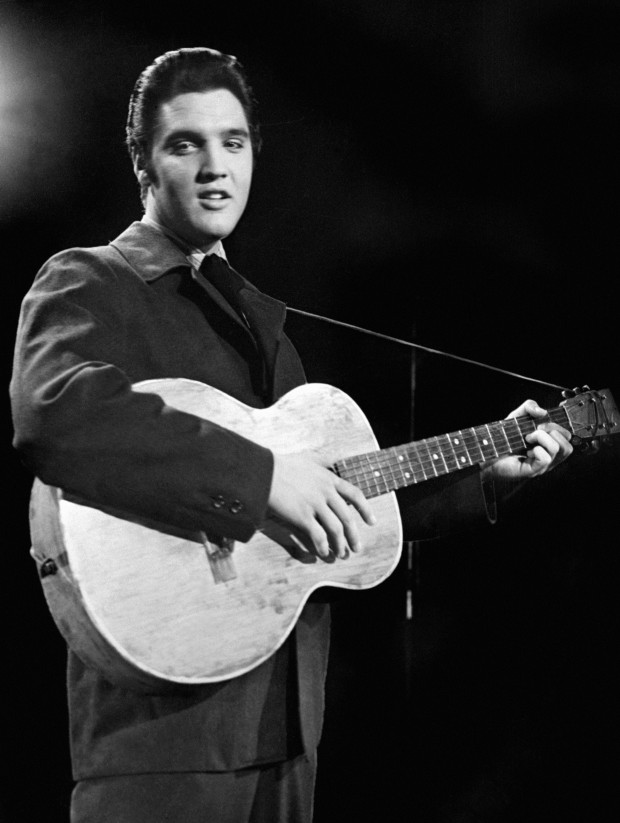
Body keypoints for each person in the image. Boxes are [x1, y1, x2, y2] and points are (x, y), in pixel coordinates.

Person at [10, 47, 573, 823]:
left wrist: (483, 478)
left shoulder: (269, 335)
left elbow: (339, 520)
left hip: (291, 741)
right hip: (162, 748)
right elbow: (55, 413)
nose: (215, 166)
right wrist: (262, 479)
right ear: (143, 164)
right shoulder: (89, 282)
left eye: (233, 142)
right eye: (186, 144)